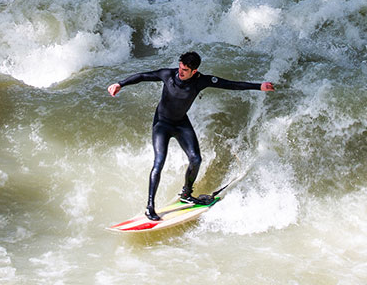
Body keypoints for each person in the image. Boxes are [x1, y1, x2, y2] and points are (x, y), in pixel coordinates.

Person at [107, 51, 275, 221]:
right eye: (180, 67)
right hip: (162, 125)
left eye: (185, 70)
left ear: (194, 71)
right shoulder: (168, 75)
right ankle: (150, 206)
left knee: (196, 159)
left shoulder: (200, 81)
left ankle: (186, 194)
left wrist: (259, 86)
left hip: (181, 123)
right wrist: (120, 84)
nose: (180, 72)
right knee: (159, 162)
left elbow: (229, 84)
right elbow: (143, 76)